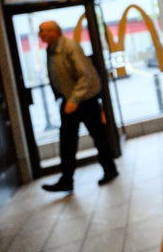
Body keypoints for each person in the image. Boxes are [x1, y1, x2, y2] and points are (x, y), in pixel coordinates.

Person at [38, 20, 119, 193]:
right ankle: (66, 180)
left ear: (55, 32)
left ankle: (110, 170)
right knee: (67, 142)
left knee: (99, 136)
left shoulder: (69, 47)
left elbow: (85, 75)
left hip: (84, 100)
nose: (41, 34)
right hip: (69, 101)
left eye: (44, 31)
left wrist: (74, 100)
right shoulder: (51, 50)